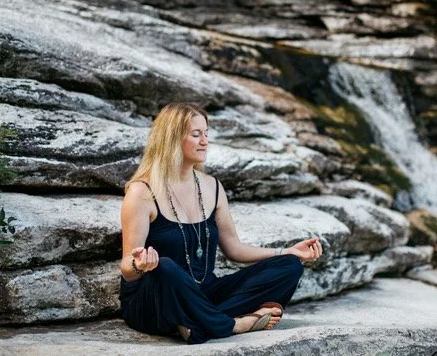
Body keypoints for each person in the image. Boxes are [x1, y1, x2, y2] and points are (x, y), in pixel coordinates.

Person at [118, 102, 323, 344]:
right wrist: (141, 265)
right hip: (155, 300)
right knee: (165, 267)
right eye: (196, 134)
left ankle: (196, 322)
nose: (205, 141)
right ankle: (234, 324)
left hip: (205, 293)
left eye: (206, 134)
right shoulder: (142, 192)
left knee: (290, 267)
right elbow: (127, 269)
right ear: (171, 138)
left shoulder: (212, 187)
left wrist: (285, 252)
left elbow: (234, 249)